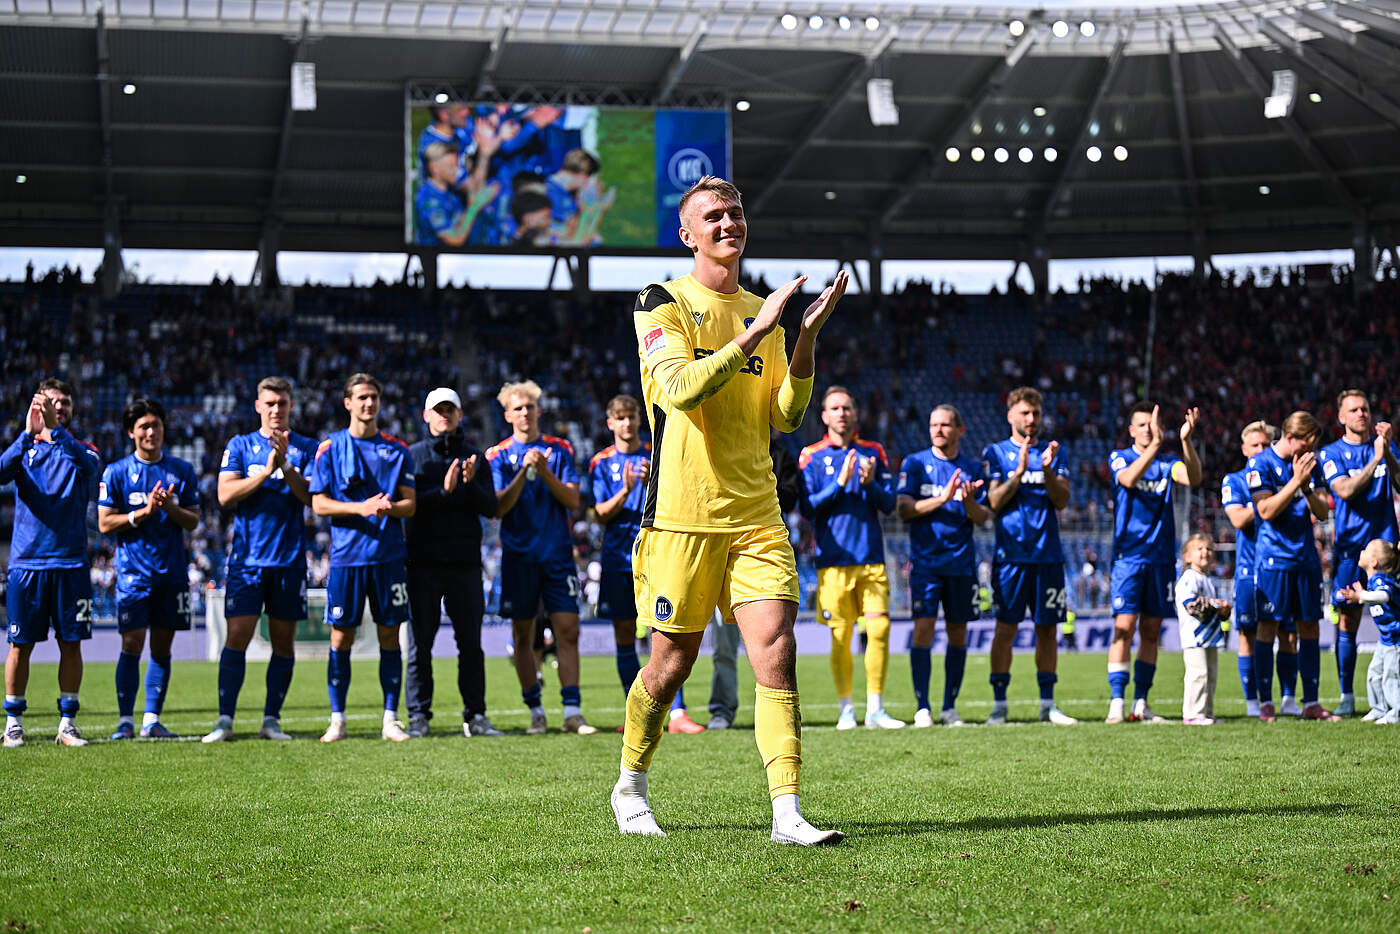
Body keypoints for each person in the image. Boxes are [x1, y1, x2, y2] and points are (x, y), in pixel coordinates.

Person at [610, 174, 849, 845]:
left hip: (756, 517)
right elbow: (679, 389)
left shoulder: (762, 309)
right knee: (670, 667)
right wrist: (758, 331)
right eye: (713, 215)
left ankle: (787, 811)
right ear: (687, 234)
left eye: (736, 212)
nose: (728, 223)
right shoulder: (662, 301)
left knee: (777, 653)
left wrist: (803, 338)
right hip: (680, 518)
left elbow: (787, 415)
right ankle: (630, 784)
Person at [203, 377, 315, 743]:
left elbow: (312, 498)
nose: (276, 409)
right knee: (237, 636)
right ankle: (225, 720)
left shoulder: (307, 448)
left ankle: (271, 720)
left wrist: (286, 467)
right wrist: (266, 471)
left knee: (283, 641)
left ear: (291, 406)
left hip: (289, 561)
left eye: (282, 403)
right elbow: (225, 494)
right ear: (258, 406)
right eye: (270, 403)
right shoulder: (240, 445)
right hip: (247, 561)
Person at [308, 374, 417, 742]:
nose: (369, 404)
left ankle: (390, 719)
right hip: (347, 558)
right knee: (341, 637)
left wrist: (390, 508)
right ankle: (337, 719)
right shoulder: (329, 448)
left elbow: (410, 504)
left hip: (388, 556)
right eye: (362, 398)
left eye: (373, 397)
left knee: (390, 635)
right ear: (348, 403)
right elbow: (319, 503)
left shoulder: (397, 450)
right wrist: (362, 507)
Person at [486, 380, 594, 735]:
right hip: (519, 558)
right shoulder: (497, 455)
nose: (525, 413)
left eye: (529, 407)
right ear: (507, 415)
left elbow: (573, 500)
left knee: (568, 630)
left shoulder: (559, 450)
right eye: (517, 408)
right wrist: (523, 471)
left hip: (557, 555)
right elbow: (498, 507)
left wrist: (544, 470)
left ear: (538, 411)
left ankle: (572, 712)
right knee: (523, 635)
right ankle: (535, 710)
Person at [2, 380, 102, 748]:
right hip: (27, 563)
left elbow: (89, 467)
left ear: (72, 409)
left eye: (65, 402)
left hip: (71, 563)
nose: (58, 406)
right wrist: (26, 435)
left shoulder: (83, 449)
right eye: (51, 401)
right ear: (37, 406)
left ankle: (67, 724)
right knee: (20, 645)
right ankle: (13, 723)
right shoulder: (24, 449)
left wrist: (55, 431)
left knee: (71, 644)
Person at [97, 399, 201, 740]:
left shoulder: (181, 471)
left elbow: (193, 520)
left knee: (161, 648)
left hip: (171, 574)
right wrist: (142, 513)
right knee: (131, 644)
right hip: (133, 576)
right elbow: (104, 524)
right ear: (131, 432)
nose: (151, 431)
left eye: (156, 425)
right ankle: (125, 721)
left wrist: (169, 508)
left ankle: (151, 720)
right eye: (144, 426)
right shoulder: (116, 472)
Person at [403, 388, 502, 738]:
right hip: (422, 564)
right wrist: (443, 492)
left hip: (465, 564)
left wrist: (470, 485)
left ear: (460, 415)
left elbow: (491, 508)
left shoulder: (475, 457)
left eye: (450, 409)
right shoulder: (412, 456)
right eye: (438, 409)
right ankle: (419, 717)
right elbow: (407, 510)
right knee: (420, 647)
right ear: (426, 415)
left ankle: (476, 716)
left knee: (471, 646)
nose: (444, 415)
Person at [799, 386, 899, 730]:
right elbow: (807, 507)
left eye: (847, 407)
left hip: (871, 558)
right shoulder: (811, 456)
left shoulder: (873, 451)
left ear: (855, 414)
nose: (842, 413)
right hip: (832, 562)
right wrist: (840, 484)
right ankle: (846, 710)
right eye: (835, 408)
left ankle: (875, 710)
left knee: (879, 629)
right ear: (824, 416)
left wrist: (870, 484)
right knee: (840, 637)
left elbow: (889, 504)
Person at [589, 396, 692, 729]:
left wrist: (652, 484)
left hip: (657, 556)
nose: (627, 423)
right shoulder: (601, 462)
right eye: (620, 417)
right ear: (610, 423)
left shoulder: (655, 452)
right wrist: (625, 491)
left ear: (639, 419)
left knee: (664, 634)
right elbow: (599, 513)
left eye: (632, 416)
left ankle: (676, 713)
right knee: (623, 634)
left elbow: (679, 500)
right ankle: (635, 712)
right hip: (618, 559)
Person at [982, 387, 1076, 725]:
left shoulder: (1054, 452)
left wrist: (1047, 471)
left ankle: (1048, 705)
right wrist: (1019, 472)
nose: (1031, 419)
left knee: (1047, 630)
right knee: (1005, 629)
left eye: (1035, 413)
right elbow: (993, 502)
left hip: (1048, 556)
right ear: (1011, 415)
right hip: (1010, 558)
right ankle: (999, 706)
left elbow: (1062, 500)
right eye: (1024, 413)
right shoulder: (995, 453)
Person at [1105, 403, 1202, 724]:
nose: (1148, 429)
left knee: (1150, 631)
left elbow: (1193, 477)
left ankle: (1140, 703)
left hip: (1160, 559)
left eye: (1153, 424)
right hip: (1128, 558)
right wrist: (1156, 446)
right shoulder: (1120, 457)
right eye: (1143, 424)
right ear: (1131, 430)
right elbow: (1128, 479)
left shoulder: (1167, 464)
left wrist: (1186, 441)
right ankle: (1116, 702)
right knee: (1123, 628)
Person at [896, 404, 989, 728]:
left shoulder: (973, 467)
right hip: (926, 564)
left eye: (945, 425)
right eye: (934, 424)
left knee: (958, 633)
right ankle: (923, 707)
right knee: (923, 629)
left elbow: (983, 517)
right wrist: (944, 498)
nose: (938, 429)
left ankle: (949, 707)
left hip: (961, 564)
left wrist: (967, 501)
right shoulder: (915, 463)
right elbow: (903, 508)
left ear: (960, 430)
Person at [1246, 411, 1339, 722]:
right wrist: (1296, 482)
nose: (1310, 451)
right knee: (1268, 626)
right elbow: (1265, 510)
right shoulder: (1260, 464)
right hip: (1274, 559)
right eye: (1306, 444)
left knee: (1309, 626)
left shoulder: (1310, 463)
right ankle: (1266, 702)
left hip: (1306, 558)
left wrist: (1307, 488)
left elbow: (1322, 513)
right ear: (1290, 437)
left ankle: (1311, 701)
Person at [1317, 390, 1399, 716]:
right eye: (1353, 410)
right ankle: (1347, 695)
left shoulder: (1385, 445)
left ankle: (1391, 697)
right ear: (1341, 417)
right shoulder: (1331, 453)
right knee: (1348, 620)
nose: (1361, 414)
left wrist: (1387, 453)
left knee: (1394, 616)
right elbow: (1345, 490)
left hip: (1386, 548)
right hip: (1352, 549)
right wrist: (1376, 460)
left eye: (1364, 408)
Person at [1221, 421, 1275, 718]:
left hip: (1280, 564)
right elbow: (1239, 519)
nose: (1261, 450)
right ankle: (1253, 702)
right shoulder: (1235, 480)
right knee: (1247, 635)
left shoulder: (1281, 475)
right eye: (1255, 445)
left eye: (1266, 445)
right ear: (1244, 449)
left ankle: (1287, 699)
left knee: (1287, 635)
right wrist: (1269, 501)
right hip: (1248, 568)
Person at [1339, 539, 1399, 723]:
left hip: (1396, 639)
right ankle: (1379, 709)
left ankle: (1396, 713)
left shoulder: (1381, 579)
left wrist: (1362, 596)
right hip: (1385, 638)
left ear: (1373, 562)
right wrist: (1363, 594)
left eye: (1366, 550)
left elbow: (1385, 595)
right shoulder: (1373, 581)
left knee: (1391, 676)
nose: (1361, 551)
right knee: (1374, 673)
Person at [1176, 533, 1230, 725]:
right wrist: (1215, 605)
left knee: (1210, 676)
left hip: (1210, 637)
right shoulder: (1189, 578)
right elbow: (1191, 605)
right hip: (1195, 637)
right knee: (1197, 674)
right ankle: (1193, 713)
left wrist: (1224, 610)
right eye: (1199, 549)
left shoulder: (1208, 579)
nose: (1205, 552)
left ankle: (1207, 712)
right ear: (1187, 556)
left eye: (1208, 549)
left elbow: (1212, 608)